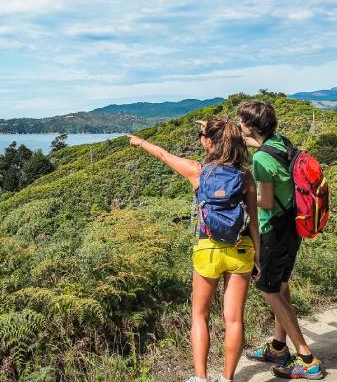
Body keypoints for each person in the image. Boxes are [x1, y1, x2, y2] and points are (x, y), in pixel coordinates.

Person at [129, 118, 260, 382]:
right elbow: (254, 222)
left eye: (203, 136)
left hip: (207, 250)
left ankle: (200, 378)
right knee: (234, 320)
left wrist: (139, 141)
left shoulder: (198, 171)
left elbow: (164, 155)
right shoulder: (245, 176)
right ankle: (227, 378)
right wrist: (259, 256)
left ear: (209, 142)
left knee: (199, 316)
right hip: (240, 249)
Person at [237, 101, 326, 380]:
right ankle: (278, 347)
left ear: (251, 126)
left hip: (273, 230)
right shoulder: (280, 143)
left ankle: (307, 358)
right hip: (292, 225)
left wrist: (241, 193)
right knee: (280, 287)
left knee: (268, 289)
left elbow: (263, 199)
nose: (238, 124)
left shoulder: (261, 160)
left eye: (240, 121)